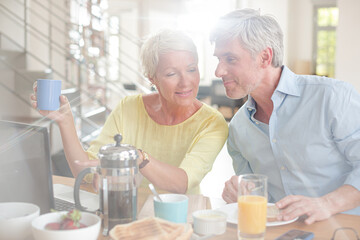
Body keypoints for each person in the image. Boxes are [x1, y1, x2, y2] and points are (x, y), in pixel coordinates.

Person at [31, 29, 228, 194]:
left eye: (191, 69)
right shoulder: (129, 107)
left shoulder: (212, 122)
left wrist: (138, 157)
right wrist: (65, 121)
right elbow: (85, 170)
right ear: (152, 78)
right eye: (171, 74)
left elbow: (181, 183)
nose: (186, 82)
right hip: (128, 210)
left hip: (180, 217)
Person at [210, 8, 360, 224]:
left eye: (230, 59)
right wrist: (240, 194)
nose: (218, 71)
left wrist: (326, 204)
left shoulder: (332, 97)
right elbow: (256, 197)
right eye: (218, 59)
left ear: (264, 57)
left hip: (344, 229)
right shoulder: (238, 128)